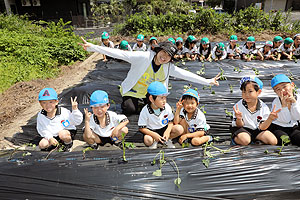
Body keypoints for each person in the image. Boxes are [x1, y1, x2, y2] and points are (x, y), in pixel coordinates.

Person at [79, 38, 220, 116]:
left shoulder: (168, 66)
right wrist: (93, 47)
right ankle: (137, 104)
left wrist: (208, 81)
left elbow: (186, 74)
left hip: (151, 93)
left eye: (169, 56)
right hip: (133, 90)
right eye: (163, 53)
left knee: (158, 111)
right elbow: (119, 53)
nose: (165, 57)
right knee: (129, 110)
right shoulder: (142, 57)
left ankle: (146, 103)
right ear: (158, 50)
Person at [230, 76, 280, 146]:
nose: (246, 95)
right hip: (243, 129)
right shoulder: (238, 106)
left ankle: (255, 140)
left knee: (273, 141)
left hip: (257, 130)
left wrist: (270, 119)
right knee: (245, 140)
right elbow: (239, 125)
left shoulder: (264, 107)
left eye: (250, 91)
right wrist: (238, 118)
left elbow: (262, 127)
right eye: (244, 92)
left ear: (258, 92)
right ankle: (235, 140)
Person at [138, 82, 183, 149]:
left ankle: (167, 139)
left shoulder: (167, 107)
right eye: (161, 98)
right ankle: (155, 141)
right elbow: (142, 128)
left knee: (179, 129)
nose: (164, 101)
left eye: (165, 98)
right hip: (152, 131)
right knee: (148, 140)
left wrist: (167, 132)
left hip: (164, 128)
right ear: (151, 99)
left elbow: (170, 122)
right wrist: (154, 135)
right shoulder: (145, 111)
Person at [268, 74, 300, 146]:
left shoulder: (298, 99)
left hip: (294, 126)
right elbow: (286, 120)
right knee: (285, 141)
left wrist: (294, 103)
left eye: (284, 86)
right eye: (278, 89)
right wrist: (284, 106)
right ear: (275, 92)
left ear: (292, 85)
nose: (282, 90)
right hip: (279, 127)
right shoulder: (276, 102)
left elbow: (297, 117)